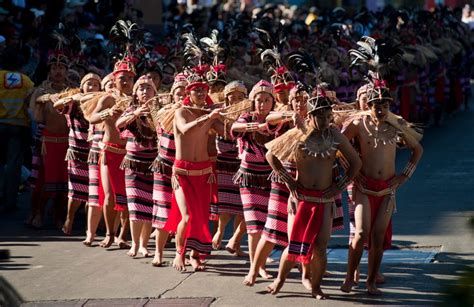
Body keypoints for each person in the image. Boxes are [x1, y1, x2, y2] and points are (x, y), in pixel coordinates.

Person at [264, 91, 361, 299]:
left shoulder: (334, 135)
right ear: (310, 116)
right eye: (321, 117)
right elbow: (270, 155)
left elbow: (356, 163)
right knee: (295, 242)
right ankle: (280, 279)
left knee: (320, 246)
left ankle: (316, 286)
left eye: (328, 116)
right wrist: (289, 182)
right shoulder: (299, 133)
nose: (326, 121)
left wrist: (340, 186)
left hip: (325, 199)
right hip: (300, 199)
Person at [340, 82, 423, 295]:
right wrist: (354, 173)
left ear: (389, 106)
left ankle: (371, 282)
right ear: (368, 104)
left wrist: (403, 176)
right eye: (376, 105)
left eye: (384, 105)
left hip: (387, 190)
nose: (380, 110)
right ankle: (350, 278)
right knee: (359, 233)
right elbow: (339, 147)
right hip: (363, 188)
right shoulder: (358, 123)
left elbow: (417, 149)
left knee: (378, 237)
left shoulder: (396, 125)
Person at [163, 69, 224, 272]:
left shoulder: (210, 114)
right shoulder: (181, 112)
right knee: (187, 216)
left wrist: (226, 116)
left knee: (201, 218)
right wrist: (208, 117)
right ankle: (179, 253)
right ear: (189, 93)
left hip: (205, 173)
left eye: (203, 89)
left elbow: (228, 134)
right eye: (196, 90)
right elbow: (186, 128)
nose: (200, 93)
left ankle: (195, 255)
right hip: (182, 173)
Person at [231, 80, 282, 280]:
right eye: (259, 100)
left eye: (267, 100)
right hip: (249, 177)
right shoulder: (246, 117)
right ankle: (256, 266)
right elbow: (236, 127)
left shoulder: (278, 119)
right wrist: (258, 126)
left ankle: (261, 263)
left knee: (269, 224)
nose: (262, 104)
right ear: (253, 102)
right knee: (254, 226)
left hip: (271, 178)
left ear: (273, 102)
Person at [88, 60, 135, 249]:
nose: (126, 82)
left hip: (130, 153)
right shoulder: (107, 99)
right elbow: (92, 117)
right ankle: (109, 233)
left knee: (128, 196)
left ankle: (123, 235)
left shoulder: (138, 99)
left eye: (130, 79)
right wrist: (108, 112)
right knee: (109, 196)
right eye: (122, 78)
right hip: (109, 150)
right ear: (114, 80)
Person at [53, 73, 102, 235]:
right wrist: (72, 98)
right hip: (77, 151)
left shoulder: (102, 103)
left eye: (96, 85)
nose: (92, 87)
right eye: (89, 84)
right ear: (82, 86)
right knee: (75, 190)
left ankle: (91, 227)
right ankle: (69, 219)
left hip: (95, 152)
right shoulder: (74, 103)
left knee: (93, 191)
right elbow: (57, 105)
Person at [27, 51, 71, 229]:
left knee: (64, 180)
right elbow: (35, 116)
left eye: (61, 68)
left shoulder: (72, 91)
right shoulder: (41, 90)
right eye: (54, 68)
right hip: (47, 142)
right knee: (43, 180)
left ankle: (59, 216)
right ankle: (38, 213)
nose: (58, 71)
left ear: (67, 71)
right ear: (49, 71)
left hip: (68, 142)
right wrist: (43, 99)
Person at [116, 75, 158, 257]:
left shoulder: (160, 111)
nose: (144, 91)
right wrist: (135, 114)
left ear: (154, 92)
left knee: (149, 206)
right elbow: (118, 124)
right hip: (133, 162)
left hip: (153, 164)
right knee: (134, 205)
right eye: (141, 89)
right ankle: (134, 244)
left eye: (148, 88)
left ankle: (144, 245)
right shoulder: (131, 109)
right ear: (135, 93)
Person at [151, 73, 187, 266]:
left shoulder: (193, 113)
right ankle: (159, 252)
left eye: (185, 93)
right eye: (178, 93)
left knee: (184, 213)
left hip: (183, 168)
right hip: (164, 166)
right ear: (173, 94)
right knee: (163, 212)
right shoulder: (164, 113)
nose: (181, 97)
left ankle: (182, 253)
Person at [211, 80, 248, 256]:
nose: (236, 100)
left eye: (240, 97)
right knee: (226, 203)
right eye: (232, 96)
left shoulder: (249, 114)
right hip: (224, 162)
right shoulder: (218, 113)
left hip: (243, 164)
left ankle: (237, 242)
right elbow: (221, 130)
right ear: (226, 97)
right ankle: (220, 231)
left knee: (243, 207)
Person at [0, 46, 34, 213]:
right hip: (18, 127)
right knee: (14, 165)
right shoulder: (26, 81)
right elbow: (31, 104)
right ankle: (10, 202)